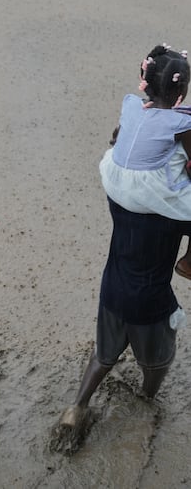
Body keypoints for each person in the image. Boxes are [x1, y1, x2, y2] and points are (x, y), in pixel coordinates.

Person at [54, 44, 191, 443]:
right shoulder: (171, 213)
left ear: (144, 82)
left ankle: (76, 407)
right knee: (158, 361)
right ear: (180, 95)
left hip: (111, 290)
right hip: (150, 302)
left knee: (103, 354)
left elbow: (129, 147)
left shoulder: (120, 196)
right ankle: (145, 399)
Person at [99, 44, 191, 278]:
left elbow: (117, 135)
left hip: (113, 177)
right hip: (144, 192)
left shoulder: (131, 103)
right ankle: (189, 262)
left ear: (144, 78)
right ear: (182, 88)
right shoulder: (182, 125)